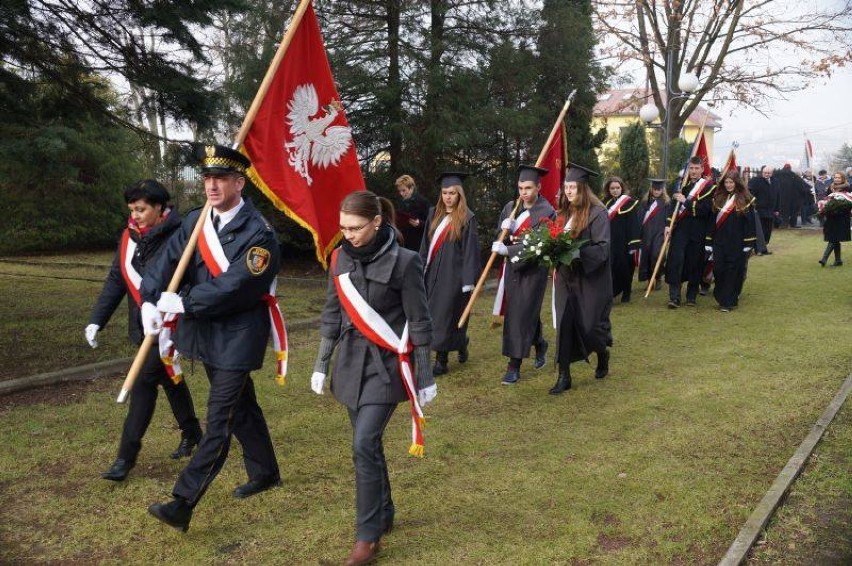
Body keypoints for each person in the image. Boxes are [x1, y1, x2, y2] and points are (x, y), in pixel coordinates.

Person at [142, 144, 283, 532]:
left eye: (220, 178)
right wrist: (149, 301)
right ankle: (266, 471)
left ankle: (182, 503)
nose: (211, 185)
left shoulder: (260, 234)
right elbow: (166, 262)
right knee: (242, 408)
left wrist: (183, 301)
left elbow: (237, 286)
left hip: (237, 338)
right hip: (204, 337)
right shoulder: (196, 220)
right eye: (206, 178)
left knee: (219, 420)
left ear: (240, 182)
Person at [311, 190, 436, 566]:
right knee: (366, 444)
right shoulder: (339, 259)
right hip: (350, 365)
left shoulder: (405, 262)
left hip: (387, 366)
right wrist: (321, 363)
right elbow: (332, 314)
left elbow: (420, 319)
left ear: (377, 221)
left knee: (364, 443)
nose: (347, 235)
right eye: (343, 227)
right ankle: (384, 512)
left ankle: (367, 539)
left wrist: (425, 373)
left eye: (355, 227)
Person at [87, 180, 202, 482]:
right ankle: (193, 433)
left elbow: (190, 278)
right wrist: (97, 320)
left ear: (160, 208)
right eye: (132, 210)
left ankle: (124, 458)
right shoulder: (128, 237)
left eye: (141, 209)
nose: (134, 215)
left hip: (169, 326)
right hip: (142, 325)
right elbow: (116, 279)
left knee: (142, 384)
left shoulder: (180, 235)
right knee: (170, 378)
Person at [549, 163, 612, 394]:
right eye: (566, 187)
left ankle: (602, 353)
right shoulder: (562, 213)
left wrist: (578, 253)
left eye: (573, 187)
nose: (568, 191)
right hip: (566, 278)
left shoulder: (598, 213)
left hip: (589, 280)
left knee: (589, 327)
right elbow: (555, 239)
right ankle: (564, 375)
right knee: (564, 325)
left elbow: (603, 248)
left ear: (583, 188)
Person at [491, 165, 556, 385]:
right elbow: (499, 237)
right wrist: (504, 229)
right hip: (512, 270)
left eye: (528, 188)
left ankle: (514, 365)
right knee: (522, 310)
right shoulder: (511, 207)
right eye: (520, 188)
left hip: (532, 270)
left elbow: (541, 243)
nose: (523, 193)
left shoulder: (547, 212)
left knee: (520, 312)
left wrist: (508, 250)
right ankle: (540, 343)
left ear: (538, 187)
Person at [419, 172, 480, 376]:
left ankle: (441, 360)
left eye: (452, 193)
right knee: (432, 315)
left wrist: (468, 280)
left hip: (454, 277)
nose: (448, 197)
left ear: (459, 194)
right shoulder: (433, 214)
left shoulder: (467, 218)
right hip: (432, 274)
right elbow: (425, 246)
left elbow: (471, 251)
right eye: (445, 192)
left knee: (445, 316)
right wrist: (418, 269)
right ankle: (461, 342)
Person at [664, 156, 714, 308]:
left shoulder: (708, 187)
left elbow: (705, 210)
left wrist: (685, 201)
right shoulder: (681, 185)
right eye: (691, 168)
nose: (693, 171)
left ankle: (691, 296)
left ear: (702, 169)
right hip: (680, 229)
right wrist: (667, 224)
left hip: (698, 230)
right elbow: (672, 207)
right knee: (676, 260)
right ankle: (674, 297)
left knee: (694, 262)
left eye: (696, 168)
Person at [706, 173, 756, 312]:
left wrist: (748, 243)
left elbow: (749, 223)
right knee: (718, 269)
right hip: (719, 241)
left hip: (737, 242)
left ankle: (727, 302)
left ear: (737, 183)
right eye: (726, 182)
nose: (728, 185)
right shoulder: (718, 198)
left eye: (731, 182)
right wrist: (709, 240)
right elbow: (712, 221)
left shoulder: (746, 199)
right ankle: (723, 295)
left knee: (732, 271)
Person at [602, 177, 640, 303]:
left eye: (617, 188)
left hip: (625, 242)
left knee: (625, 268)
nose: (615, 190)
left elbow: (634, 224)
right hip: (610, 241)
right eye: (612, 188)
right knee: (611, 267)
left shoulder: (630, 203)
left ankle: (627, 292)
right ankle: (611, 292)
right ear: (608, 189)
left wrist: (633, 243)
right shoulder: (605, 203)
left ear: (622, 188)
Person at [637, 178, 669, 290]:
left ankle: (658, 277)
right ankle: (650, 280)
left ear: (662, 190)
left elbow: (668, 219)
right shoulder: (645, 202)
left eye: (659, 189)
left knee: (656, 255)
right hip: (646, 233)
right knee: (646, 257)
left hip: (659, 233)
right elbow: (640, 218)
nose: (656, 191)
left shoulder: (666, 203)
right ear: (651, 189)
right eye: (654, 189)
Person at [818, 172, 852, 267]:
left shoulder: (847, 188)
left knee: (834, 237)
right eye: (835, 177)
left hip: (842, 217)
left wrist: (839, 207)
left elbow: (849, 202)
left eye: (839, 177)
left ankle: (824, 259)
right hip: (831, 216)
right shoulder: (831, 187)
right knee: (834, 238)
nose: (836, 179)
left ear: (843, 178)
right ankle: (838, 260)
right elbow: (826, 199)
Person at [747, 166, 779, 254]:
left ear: (772, 173)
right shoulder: (756, 181)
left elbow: (777, 195)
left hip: (770, 210)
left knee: (768, 230)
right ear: (762, 172)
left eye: (768, 173)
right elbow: (749, 193)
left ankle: (764, 247)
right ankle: (759, 249)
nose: (766, 175)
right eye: (765, 173)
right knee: (760, 231)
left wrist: (777, 209)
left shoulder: (775, 181)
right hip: (759, 210)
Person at [394, 174, 431, 251]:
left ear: (411, 188)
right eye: (400, 191)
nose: (401, 193)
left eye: (404, 190)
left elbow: (432, 223)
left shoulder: (423, 202)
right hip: (404, 244)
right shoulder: (401, 203)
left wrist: (420, 223)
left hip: (418, 245)